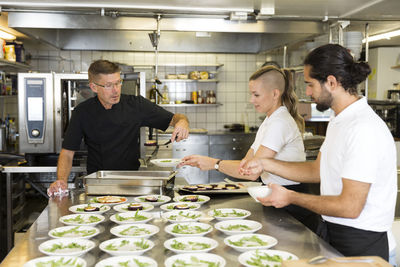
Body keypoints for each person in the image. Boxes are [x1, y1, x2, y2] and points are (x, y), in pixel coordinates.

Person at [239, 44, 397, 261]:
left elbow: (350, 207)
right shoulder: (338, 121)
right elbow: (317, 170)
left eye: (310, 84)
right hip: (332, 230)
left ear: (331, 82)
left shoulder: (363, 128)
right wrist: (265, 163)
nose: (307, 92)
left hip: (362, 241)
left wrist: (290, 197)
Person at [178, 65, 319, 232]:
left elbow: (252, 172)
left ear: (275, 94)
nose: (252, 100)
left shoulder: (279, 122)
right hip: (275, 196)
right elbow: (247, 163)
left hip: (291, 203)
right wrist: (211, 162)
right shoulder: (269, 121)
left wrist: (213, 164)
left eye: (256, 95)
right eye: (251, 94)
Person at [48, 60, 189, 196]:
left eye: (118, 83)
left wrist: (182, 122)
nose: (115, 90)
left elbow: (175, 118)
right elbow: (67, 152)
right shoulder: (82, 112)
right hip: (98, 185)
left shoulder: (136, 105)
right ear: (94, 87)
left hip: (131, 183)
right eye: (108, 85)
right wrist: (61, 180)